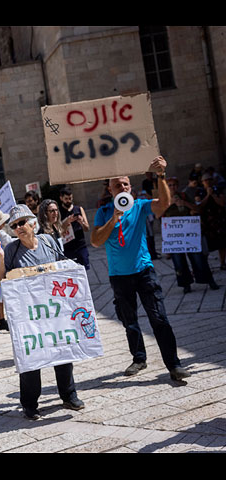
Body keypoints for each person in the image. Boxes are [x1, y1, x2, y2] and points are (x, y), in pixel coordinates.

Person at [90, 156, 191, 383]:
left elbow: (164, 204)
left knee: (159, 318)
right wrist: (113, 220)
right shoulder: (105, 211)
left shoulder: (139, 206)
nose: (123, 187)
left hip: (144, 271)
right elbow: (96, 240)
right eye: (117, 185)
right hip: (119, 276)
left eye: (125, 184)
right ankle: (139, 358)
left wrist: (161, 175)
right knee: (129, 321)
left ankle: (174, 365)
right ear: (110, 189)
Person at [0, 204, 85, 420]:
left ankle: (69, 395)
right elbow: (0, 279)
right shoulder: (11, 250)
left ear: (33, 223)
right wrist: (0, 257)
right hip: (29, 316)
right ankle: (30, 404)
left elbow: (62, 266)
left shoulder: (48, 241)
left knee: (63, 352)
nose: (18, 228)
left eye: (22, 223)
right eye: (14, 225)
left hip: (54, 310)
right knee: (31, 358)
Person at [163, 177, 219, 292]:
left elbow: (197, 209)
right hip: (174, 237)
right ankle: (185, 284)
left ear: (177, 186)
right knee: (178, 261)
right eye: (170, 185)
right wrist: (169, 204)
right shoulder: (163, 199)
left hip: (188, 234)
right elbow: (157, 215)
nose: (172, 187)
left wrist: (185, 203)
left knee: (199, 258)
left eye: (174, 185)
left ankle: (209, 280)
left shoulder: (184, 196)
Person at [197, 172, 226, 270]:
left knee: (222, 243)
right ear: (202, 182)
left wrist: (212, 194)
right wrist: (207, 195)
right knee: (206, 245)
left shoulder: (218, 190)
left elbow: (222, 203)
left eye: (209, 180)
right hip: (206, 222)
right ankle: (206, 266)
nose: (208, 182)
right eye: (205, 180)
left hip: (218, 220)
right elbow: (199, 206)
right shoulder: (199, 192)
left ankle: (222, 262)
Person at [58, 186, 91, 270]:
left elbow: (87, 228)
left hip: (80, 245)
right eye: (66, 199)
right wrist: (67, 221)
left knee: (84, 270)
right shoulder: (58, 212)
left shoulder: (79, 209)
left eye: (70, 198)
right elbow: (58, 230)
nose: (69, 201)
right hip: (67, 248)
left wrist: (81, 222)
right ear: (61, 198)